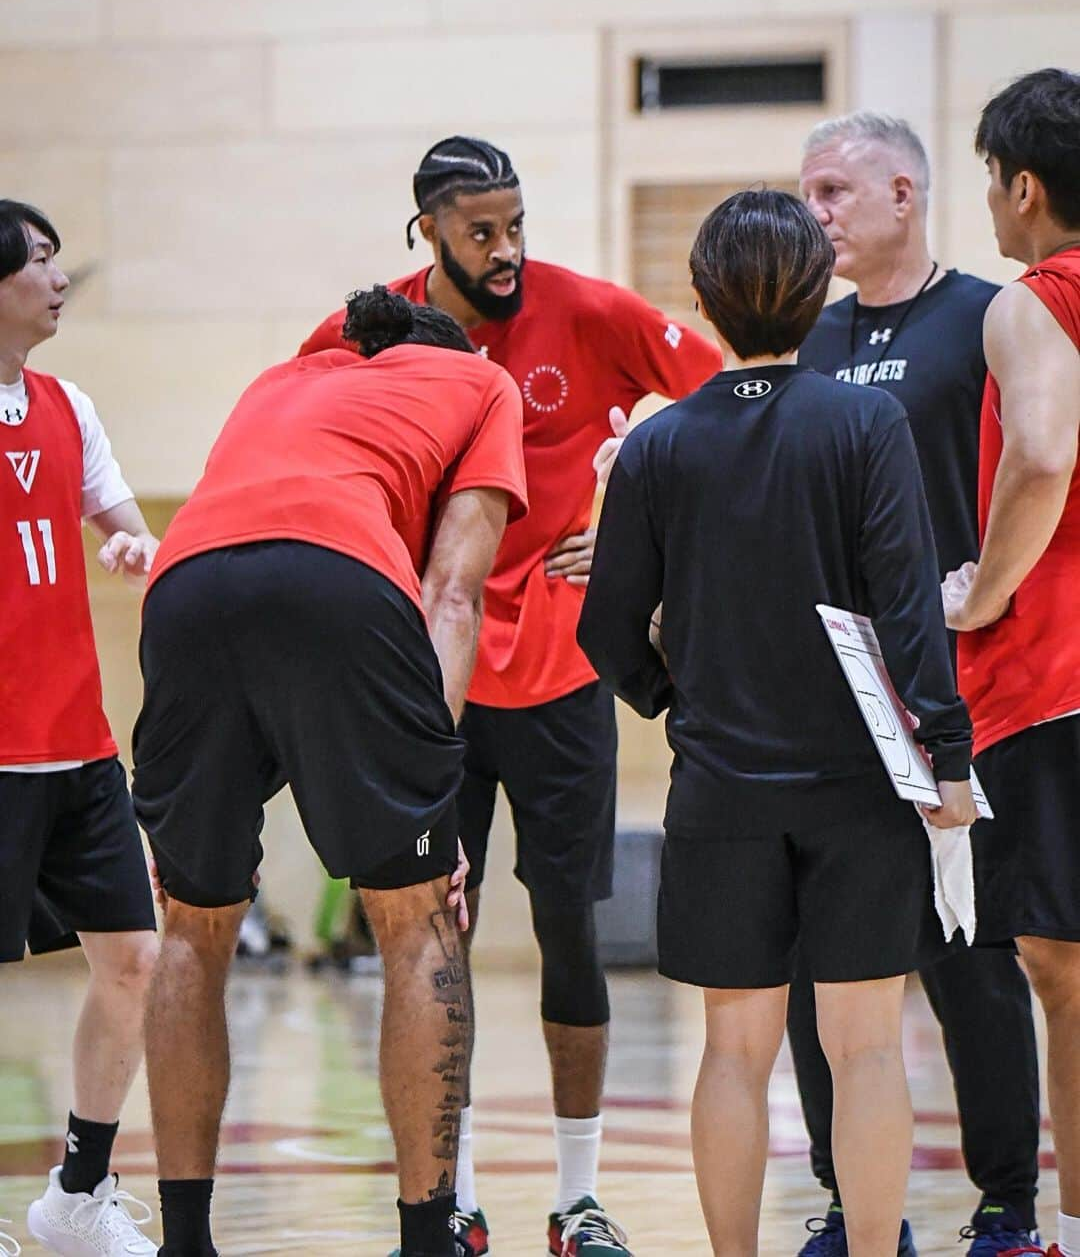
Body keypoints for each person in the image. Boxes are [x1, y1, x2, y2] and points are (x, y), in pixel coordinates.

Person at [299, 135, 722, 1255]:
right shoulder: (370, 326)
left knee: (567, 932)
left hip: (560, 676)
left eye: (517, 225)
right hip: (426, 681)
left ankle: (578, 1199)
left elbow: (728, 404)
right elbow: (303, 431)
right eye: (481, 230)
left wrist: (633, 532)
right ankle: (457, 1195)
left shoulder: (585, 311)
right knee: (434, 934)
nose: (506, 251)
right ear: (427, 228)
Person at [579, 189, 978, 1257]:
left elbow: (606, 626)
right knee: (869, 1053)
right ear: (818, 295)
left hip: (720, 790)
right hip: (864, 788)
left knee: (734, 1052)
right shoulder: (866, 421)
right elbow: (908, 609)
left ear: (702, 299)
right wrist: (947, 752)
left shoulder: (662, 447)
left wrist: (670, 697)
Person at [132, 287, 528, 1257]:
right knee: (415, 919)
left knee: (190, 926)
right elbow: (452, 592)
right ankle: (429, 1239)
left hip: (182, 585)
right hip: (338, 574)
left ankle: (185, 1243)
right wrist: (430, 795)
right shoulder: (479, 380)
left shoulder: (282, 377)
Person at [791, 113, 1041, 1257]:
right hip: (833, 700)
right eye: (807, 195)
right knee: (821, 970)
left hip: (963, 687)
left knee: (973, 958)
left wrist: (982, 600)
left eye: (836, 190)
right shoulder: (807, 340)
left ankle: (1007, 1203)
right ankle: (856, 1208)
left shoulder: (990, 317)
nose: (817, 215)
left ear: (906, 191)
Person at [0, 199, 160, 1257]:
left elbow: (126, 522)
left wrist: (134, 548)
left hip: (81, 746)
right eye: (41, 261)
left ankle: (76, 1198)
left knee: (134, 960)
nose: (60, 279)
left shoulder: (70, 405)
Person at [943, 66, 1080, 1257]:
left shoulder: (1034, 299)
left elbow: (1039, 453)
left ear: (1024, 186)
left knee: (1065, 971)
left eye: (990, 181)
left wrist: (980, 595)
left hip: (1059, 680)